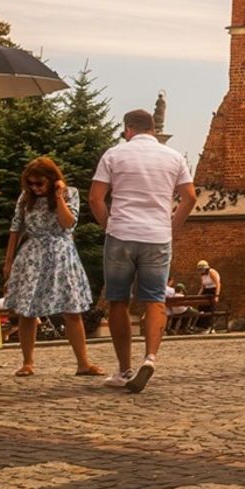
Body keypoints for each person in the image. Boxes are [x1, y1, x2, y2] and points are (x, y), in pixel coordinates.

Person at [89, 108, 196, 395]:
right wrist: (172, 227)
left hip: (121, 234)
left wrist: (107, 225)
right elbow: (190, 196)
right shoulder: (173, 157)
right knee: (154, 300)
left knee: (118, 302)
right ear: (152, 129)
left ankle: (124, 370)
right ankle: (150, 358)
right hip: (157, 236)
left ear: (128, 130)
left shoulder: (114, 154)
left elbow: (96, 198)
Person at [0, 158, 102, 378]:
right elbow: (15, 228)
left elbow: (68, 223)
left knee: (71, 310)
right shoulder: (25, 198)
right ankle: (28, 362)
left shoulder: (69, 193)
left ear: (52, 179)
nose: (35, 188)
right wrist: (8, 262)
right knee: (27, 311)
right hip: (32, 255)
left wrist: (58, 197)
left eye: (39, 183)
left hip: (61, 253)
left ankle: (83, 363)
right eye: (31, 184)